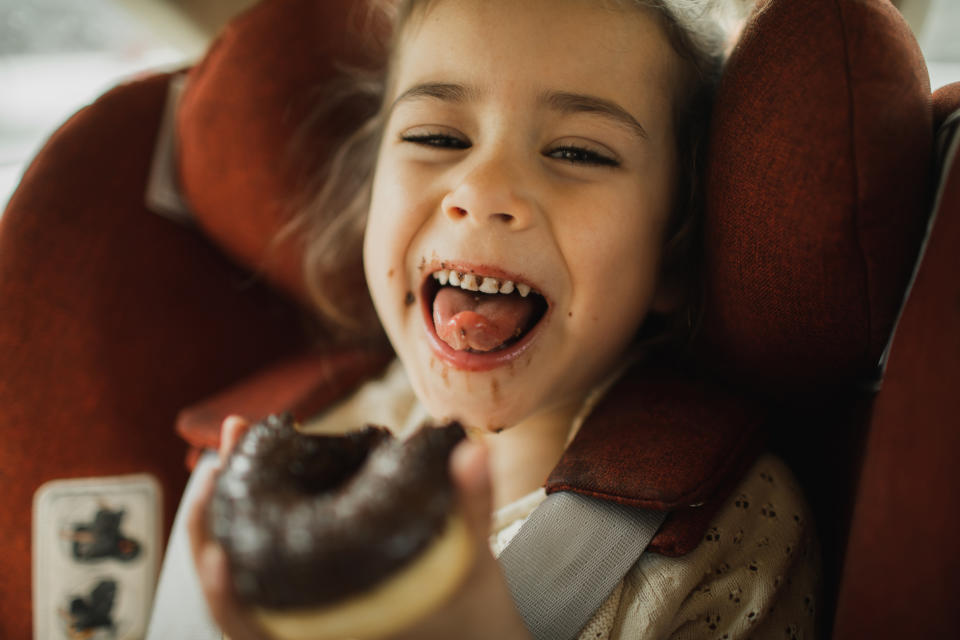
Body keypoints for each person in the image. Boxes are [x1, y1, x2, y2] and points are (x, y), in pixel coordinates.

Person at [181, 0, 820, 638]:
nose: (484, 190)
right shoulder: (295, 450)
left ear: (672, 255)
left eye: (578, 153)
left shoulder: (727, 530)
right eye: (436, 138)